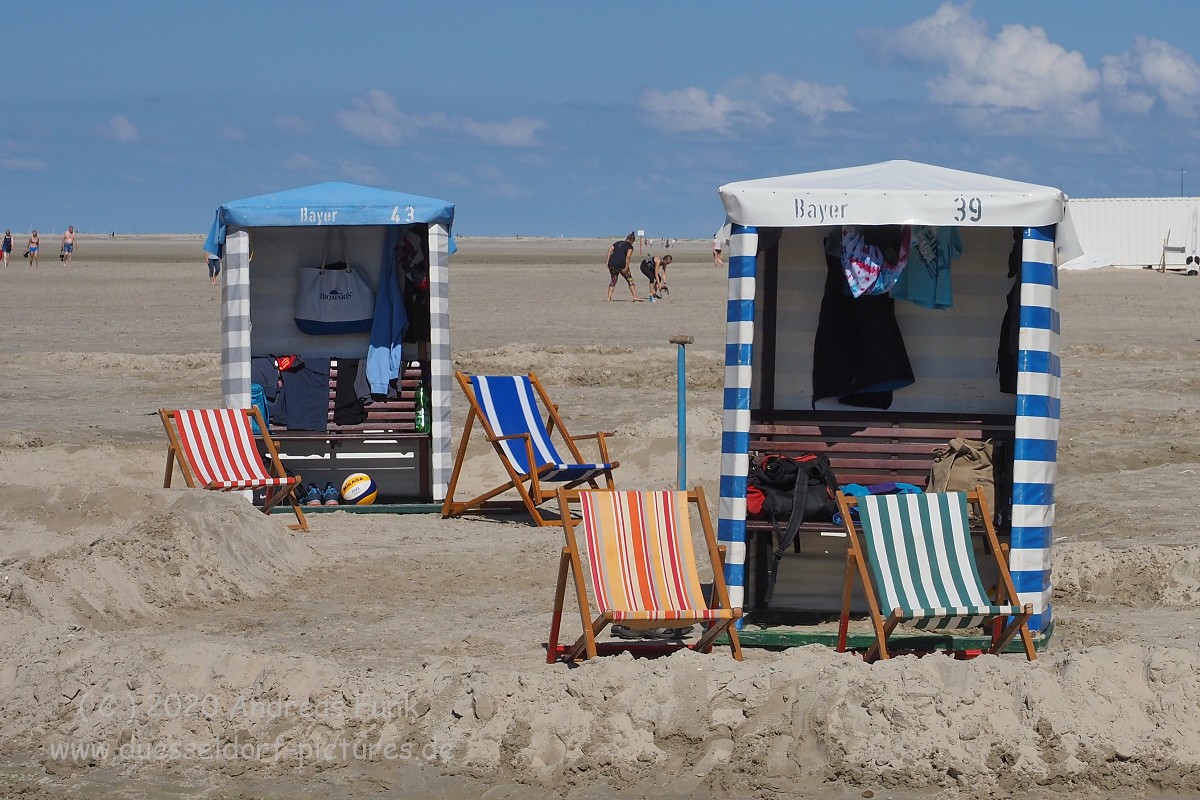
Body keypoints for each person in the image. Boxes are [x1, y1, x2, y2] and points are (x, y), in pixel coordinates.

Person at [605, 232, 643, 302]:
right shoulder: (630, 247)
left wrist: (608, 261)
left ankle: (609, 297)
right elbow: (628, 256)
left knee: (613, 280)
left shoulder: (617, 243)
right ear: (632, 240)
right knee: (630, 280)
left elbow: (610, 250)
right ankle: (635, 296)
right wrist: (626, 267)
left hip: (612, 264)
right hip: (621, 265)